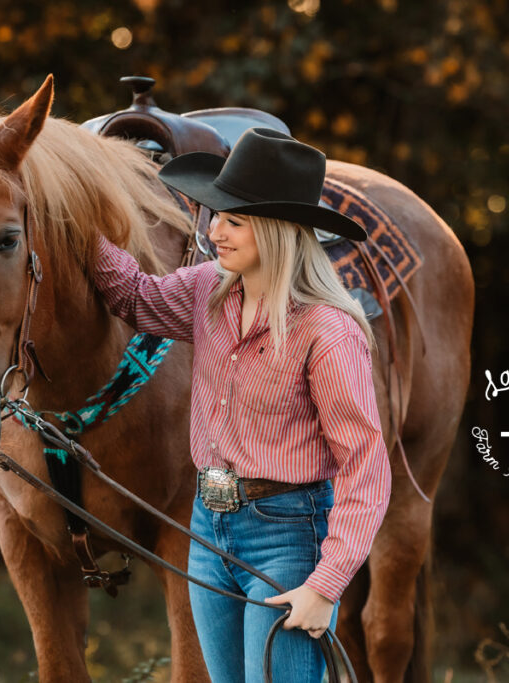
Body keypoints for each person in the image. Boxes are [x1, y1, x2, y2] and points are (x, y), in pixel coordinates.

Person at [88, 127, 392, 683]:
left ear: (277, 231)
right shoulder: (209, 288)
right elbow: (134, 297)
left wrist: (325, 586)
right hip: (207, 530)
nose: (212, 231)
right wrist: (78, 220)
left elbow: (364, 465)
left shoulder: (327, 332)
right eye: (213, 215)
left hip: (289, 536)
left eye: (232, 219)